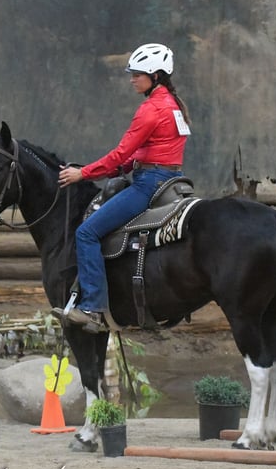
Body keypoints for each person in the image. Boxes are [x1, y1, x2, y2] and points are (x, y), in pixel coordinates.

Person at [53, 43, 191, 332]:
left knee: (87, 232)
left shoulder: (150, 109)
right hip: (171, 179)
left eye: (137, 74)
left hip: (149, 184)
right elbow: (148, 152)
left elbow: (120, 153)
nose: (132, 79)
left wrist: (83, 174)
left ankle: (91, 307)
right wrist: (125, 166)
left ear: (155, 76)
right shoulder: (174, 105)